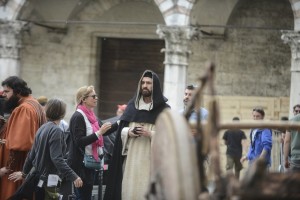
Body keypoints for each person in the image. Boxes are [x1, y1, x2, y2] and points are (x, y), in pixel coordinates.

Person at [104, 70, 170, 200]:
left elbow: (168, 137)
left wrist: (150, 133)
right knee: (129, 190)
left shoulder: (164, 109)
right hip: (131, 160)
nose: (145, 86)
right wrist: (128, 132)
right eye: (143, 83)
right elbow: (121, 131)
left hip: (150, 160)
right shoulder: (131, 106)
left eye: (149, 83)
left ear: (155, 86)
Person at [8, 99, 83, 199]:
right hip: (48, 180)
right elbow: (57, 159)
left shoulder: (42, 128)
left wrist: (25, 173)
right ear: (62, 113)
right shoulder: (56, 131)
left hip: (38, 178)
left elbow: (31, 154)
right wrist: (74, 176)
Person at [0, 76, 47, 200]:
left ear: (18, 91)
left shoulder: (24, 108)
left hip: (17, 167)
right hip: (29, 165)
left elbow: (19, 143)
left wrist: (8, 167)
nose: (4, 95)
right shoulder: (34, 103)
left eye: (7, 91)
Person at [67, 85, 116, 200]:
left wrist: (121, 122)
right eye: (93, 96)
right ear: (83, 99)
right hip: (80, 165)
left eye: (96, 96)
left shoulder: (91, 115)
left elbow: (105, 130)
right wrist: (99, 132)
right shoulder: (78, 116)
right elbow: (79, 141)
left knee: (86, 196)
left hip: (90, 164)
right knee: (83, 197)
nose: (96, 98)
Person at [284, 104, 300, 172]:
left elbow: (287, 141)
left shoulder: (291, 121)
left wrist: (286, 159)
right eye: (296, 111)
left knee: (295, 182)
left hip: (296, 157)